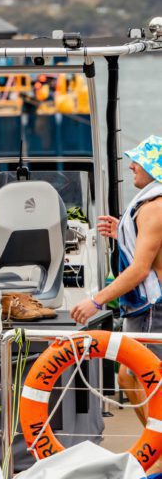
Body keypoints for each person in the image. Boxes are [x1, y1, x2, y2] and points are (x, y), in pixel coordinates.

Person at [71, 135, 162, 427]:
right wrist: (121, 230)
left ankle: (158, 447)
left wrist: (96, 301)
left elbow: (140, 270)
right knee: (131, 378)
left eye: (140, 161)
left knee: (135, 378)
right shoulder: (149, 207)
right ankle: (157, 445)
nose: (132, 165)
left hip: (151, 309)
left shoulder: (155, 209)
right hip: (144, 310)